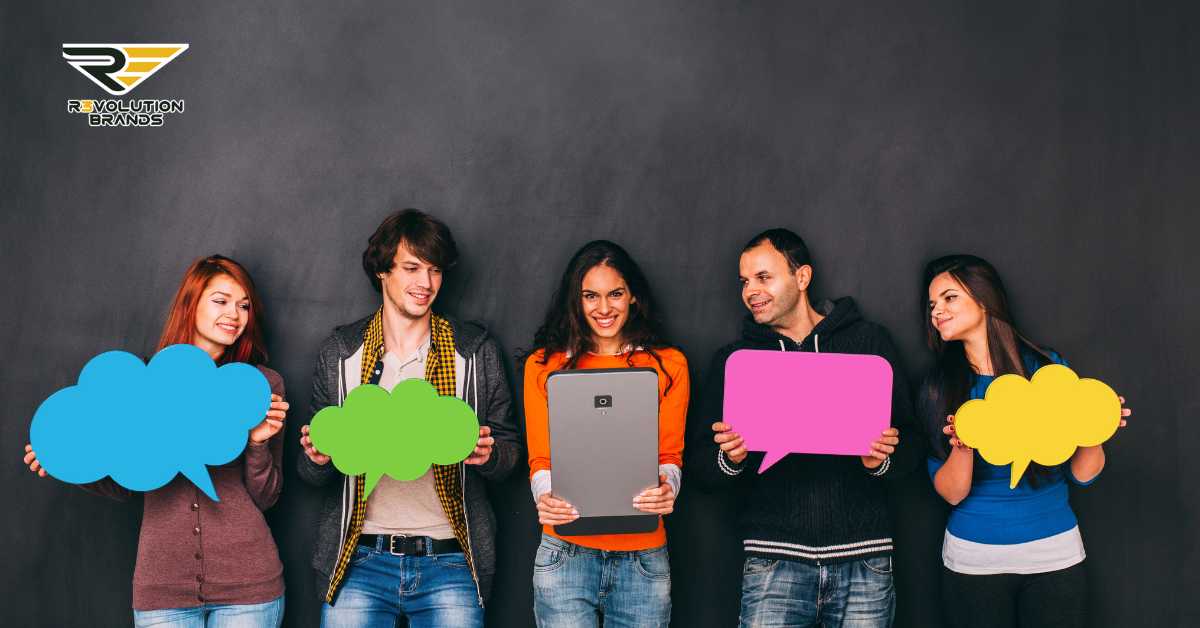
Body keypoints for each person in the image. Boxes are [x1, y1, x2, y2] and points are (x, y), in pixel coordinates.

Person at [23, 254, 289, 627]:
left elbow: (267, 496)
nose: (235, 314)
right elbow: (125, 486)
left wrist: (259, 443)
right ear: (190, 304)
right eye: (221, 301)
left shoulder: (260, 386)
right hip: (163, 590)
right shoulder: (141, 382)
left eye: (244, 306)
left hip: (248, 588)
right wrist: (70, 462)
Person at [296, 208, 522, 627]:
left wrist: (488, 456)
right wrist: (316, 457)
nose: (426, 283)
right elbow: (311, 475)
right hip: (358, 559)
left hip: (450, 560)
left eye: (435, 270)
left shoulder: (473, 352)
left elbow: (510, 456)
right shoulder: (343, 353)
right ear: (383, 270)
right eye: (412, 268)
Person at [687, 228, 920, 628]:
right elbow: (700, 468)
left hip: (863, 561)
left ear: (802, 277)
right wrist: (729, 457)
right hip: (774, 562)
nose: (750, 291)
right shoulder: (736, 361)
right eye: (744, 281)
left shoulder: (869, 343)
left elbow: (912, 450)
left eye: (763, 277)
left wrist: (880, 459)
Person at [919, 254, 1130, 628]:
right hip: (974, 561)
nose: (937, 311)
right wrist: (963, 445)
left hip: (1054, 556)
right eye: (933, 304)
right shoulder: (940, 387)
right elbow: (952, 492)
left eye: (949, 298)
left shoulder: (1047, 369)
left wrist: (1095, 428)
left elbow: (1084, 474)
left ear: (984, 300)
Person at [523, 240, 689, 628]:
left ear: (633, 296)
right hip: (565, 551)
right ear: (575, 300)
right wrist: (544, 495)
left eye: (615, 293)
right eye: (590, 296)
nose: (603, 308)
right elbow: (541, 458)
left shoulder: (668, 364)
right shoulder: (544, 365)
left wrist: (668, 486)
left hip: (643, 557)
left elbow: (670, 455)